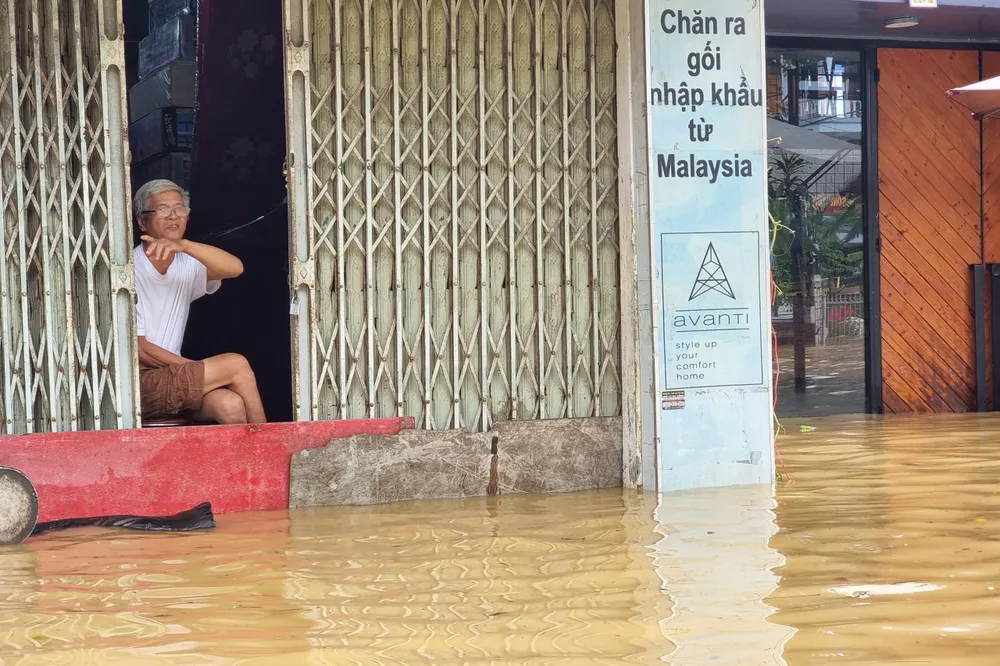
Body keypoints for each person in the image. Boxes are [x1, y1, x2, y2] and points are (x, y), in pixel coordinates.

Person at [133, 179, 267, 425]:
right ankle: (272, 446)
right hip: (139, 385)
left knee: (230, 405)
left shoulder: (186, 264)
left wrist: (184, 246)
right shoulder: (131, 270)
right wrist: (197, 370)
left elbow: (234, 268)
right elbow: (141, 350)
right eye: (163, 209)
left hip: (174, 381)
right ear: (142, 221)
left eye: (180, 209)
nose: (173, 216)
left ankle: (243, 463)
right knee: (235, 364)